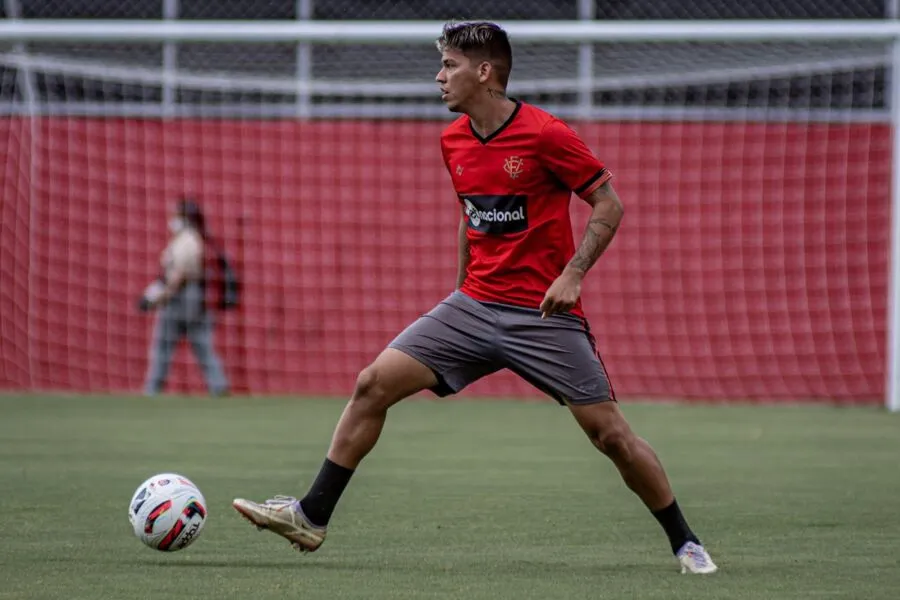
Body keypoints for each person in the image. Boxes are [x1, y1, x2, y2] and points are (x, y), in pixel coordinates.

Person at [232, 21, 716, 575]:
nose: (439, 78)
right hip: (473, 306)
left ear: (484, 72)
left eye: (449, 66)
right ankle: (311, 516)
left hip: (542, 315)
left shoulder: (545, 134)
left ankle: (686, 542)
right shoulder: (453, 138)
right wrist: (462, 291)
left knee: (610, 436)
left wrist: (574, 274)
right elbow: (471, 215)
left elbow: (608, 205)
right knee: (371, 385)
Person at [142, 199, 229, 397]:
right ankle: (218, 385)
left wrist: (155, 297)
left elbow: (176, 276)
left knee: (163, 344)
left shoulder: (187, 240)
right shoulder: (195, 239)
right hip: (193, 298)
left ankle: (153, 389)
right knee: (201, 343)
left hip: (182, 297)